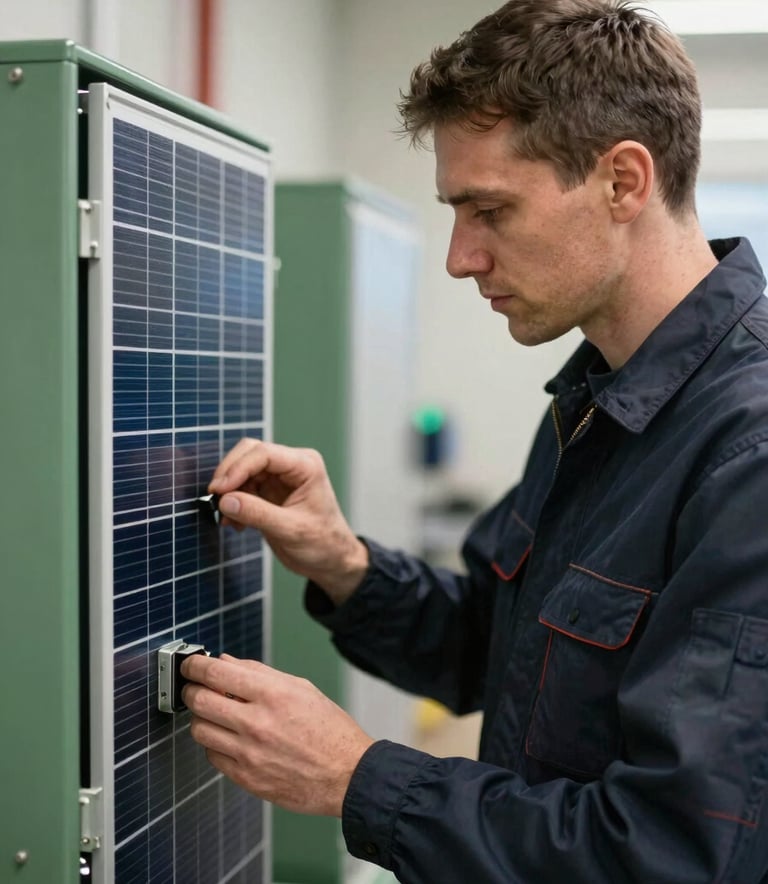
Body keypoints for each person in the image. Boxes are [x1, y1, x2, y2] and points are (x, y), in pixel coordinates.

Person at [180, 0, 768, 880]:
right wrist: (344, 562)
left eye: (489, 209)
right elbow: (501, 655)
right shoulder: (596, 398)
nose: (460, 257)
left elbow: (671, 854)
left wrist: (356, 778)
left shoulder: (746, 453)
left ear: (624, 181)